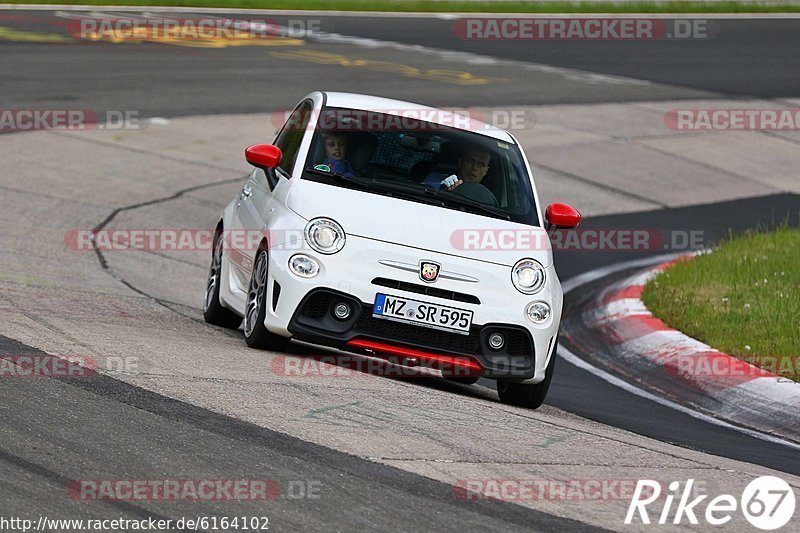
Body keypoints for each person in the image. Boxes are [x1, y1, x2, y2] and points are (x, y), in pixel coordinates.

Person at [422, 145, 497, 205]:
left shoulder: (488, 196)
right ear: (460, 162)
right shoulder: (438, 177)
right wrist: (441, 186)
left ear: (485, 171)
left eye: (480, 164)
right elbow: (424, 188)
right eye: (471, 161)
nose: (474, 167)